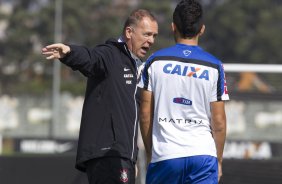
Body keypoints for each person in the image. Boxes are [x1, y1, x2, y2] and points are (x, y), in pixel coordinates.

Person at [42, 9, 158, 184]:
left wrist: (130, 156)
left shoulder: (138, 67)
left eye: (154, 36)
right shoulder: (110, 54)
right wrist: (69, 52)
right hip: (107, 153)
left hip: (121, 156)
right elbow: (91, 58)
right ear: (129, 32)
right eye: (147, 34)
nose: (151, 40)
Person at [139, 0, 229, 183]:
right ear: (202, 29)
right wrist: (218, 160)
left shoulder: (154, 62)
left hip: (165, 155)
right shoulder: (215, 66)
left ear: (173, 27)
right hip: (203, 157)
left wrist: (151, 153)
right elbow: (218, 122)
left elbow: (145, 114)